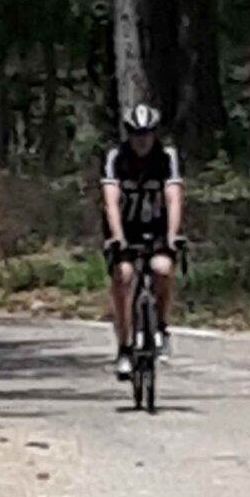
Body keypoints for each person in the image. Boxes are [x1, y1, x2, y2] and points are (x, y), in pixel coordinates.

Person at [101, 103, 184, 380]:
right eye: (136, 134)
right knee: (123, 276)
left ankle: (160, 326)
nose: (142, 140)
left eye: (147, 133)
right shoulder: (116, 157)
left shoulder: (166, 157)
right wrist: (117, 238)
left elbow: (173, 198)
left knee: (162, 269)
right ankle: (124, 348)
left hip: (157, 228)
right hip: (125, 229)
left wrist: (172, 236)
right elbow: (111, 200)